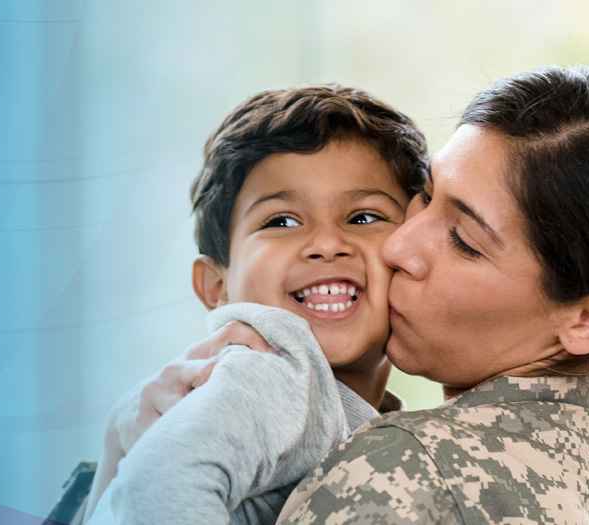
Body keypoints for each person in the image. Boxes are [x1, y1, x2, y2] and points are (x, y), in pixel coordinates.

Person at [276, 65, 589, 524]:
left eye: (464, 241)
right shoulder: (581, 472)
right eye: (424, 191)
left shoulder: (400, 471)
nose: (398, 247)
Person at [79, 85, 428, 524]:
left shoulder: (366, 417)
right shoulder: (272, 375)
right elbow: (155, 486)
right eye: (281, 221)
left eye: (363, 217)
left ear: (417, 250)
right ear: (216, 286)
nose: (326, 244)